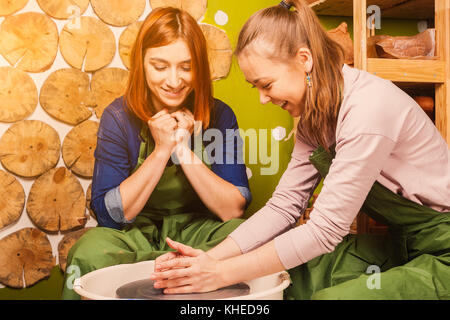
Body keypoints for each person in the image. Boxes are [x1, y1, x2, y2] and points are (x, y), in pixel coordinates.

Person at [150, 0, 450, 299]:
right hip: (404, 243)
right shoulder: (314, 118)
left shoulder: (367, 109)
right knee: (286, 275)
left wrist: (220, 274)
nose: (263, 99)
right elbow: (284, 207)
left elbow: (323, 231)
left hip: (444, 251)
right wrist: (210, 260)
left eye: (266, 84)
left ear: (304, 59)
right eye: (255, 87)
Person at [61, 7, 251, 300]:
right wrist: (162, 150)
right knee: (87, 251)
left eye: (186, 67)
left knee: (245, 236)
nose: (174, 81)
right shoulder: (118, 116)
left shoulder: (221, 115)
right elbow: (109, 215)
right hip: (133, 234)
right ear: (142, 64)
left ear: (200, 67)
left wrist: (184, 151)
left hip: (197, 231)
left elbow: (233, 209)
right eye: (160, 67)